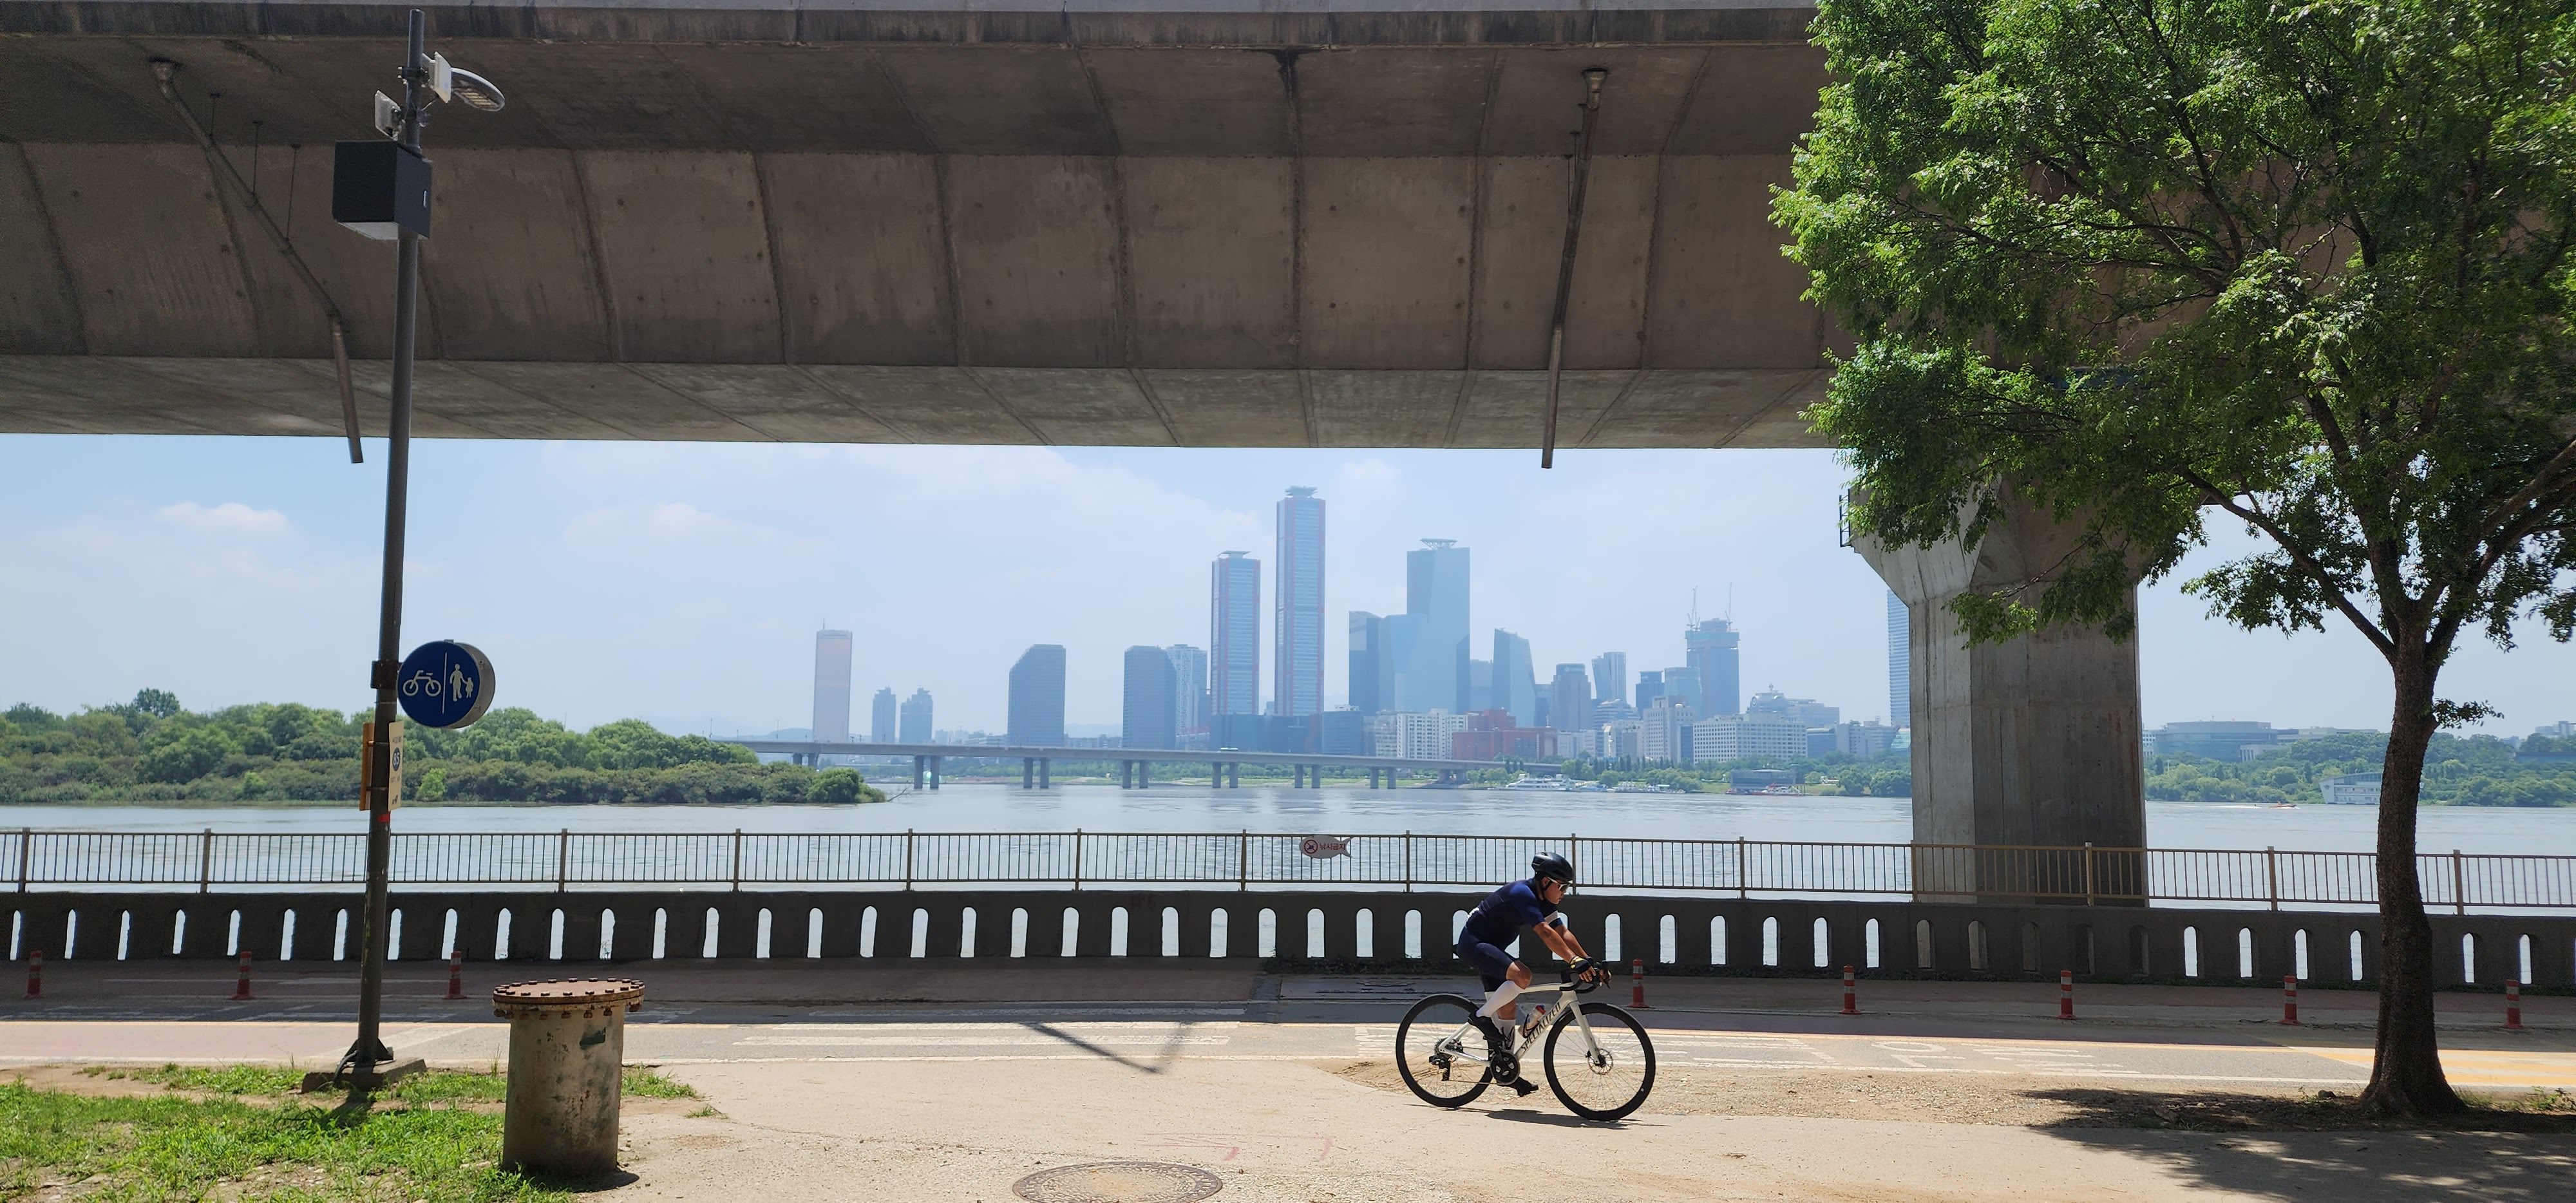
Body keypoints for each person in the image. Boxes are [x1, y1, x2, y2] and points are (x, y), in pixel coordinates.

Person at [1454, 852, 1611, 1094]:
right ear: (1545, 882)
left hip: (1493, 948)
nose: (1565, 892)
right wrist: (1572, 961)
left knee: (1507, 1009)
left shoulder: (1544, 900)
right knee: (1523, 976)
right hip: (1474, 944)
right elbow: (1546, 933)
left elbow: (1562, 932)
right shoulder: (1522, 894)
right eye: (1562, 886)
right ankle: (1480, 1017)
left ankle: (1506, 1071)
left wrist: (1587, 960)